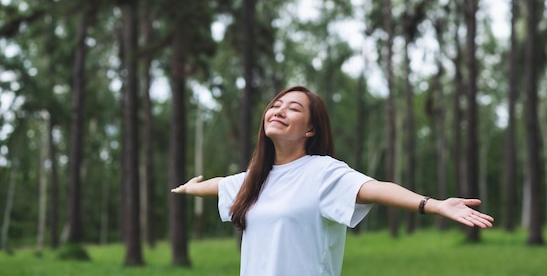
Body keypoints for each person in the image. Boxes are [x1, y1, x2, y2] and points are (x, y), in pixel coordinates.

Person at [171, 85, 494, 276]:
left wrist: (433, 205)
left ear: (310, 130)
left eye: (293, 108)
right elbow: (219, 185)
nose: (279, 111)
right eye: (275, 105)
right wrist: (191, 187)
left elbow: (376, 188)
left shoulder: (323, 172)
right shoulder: (255, 180)